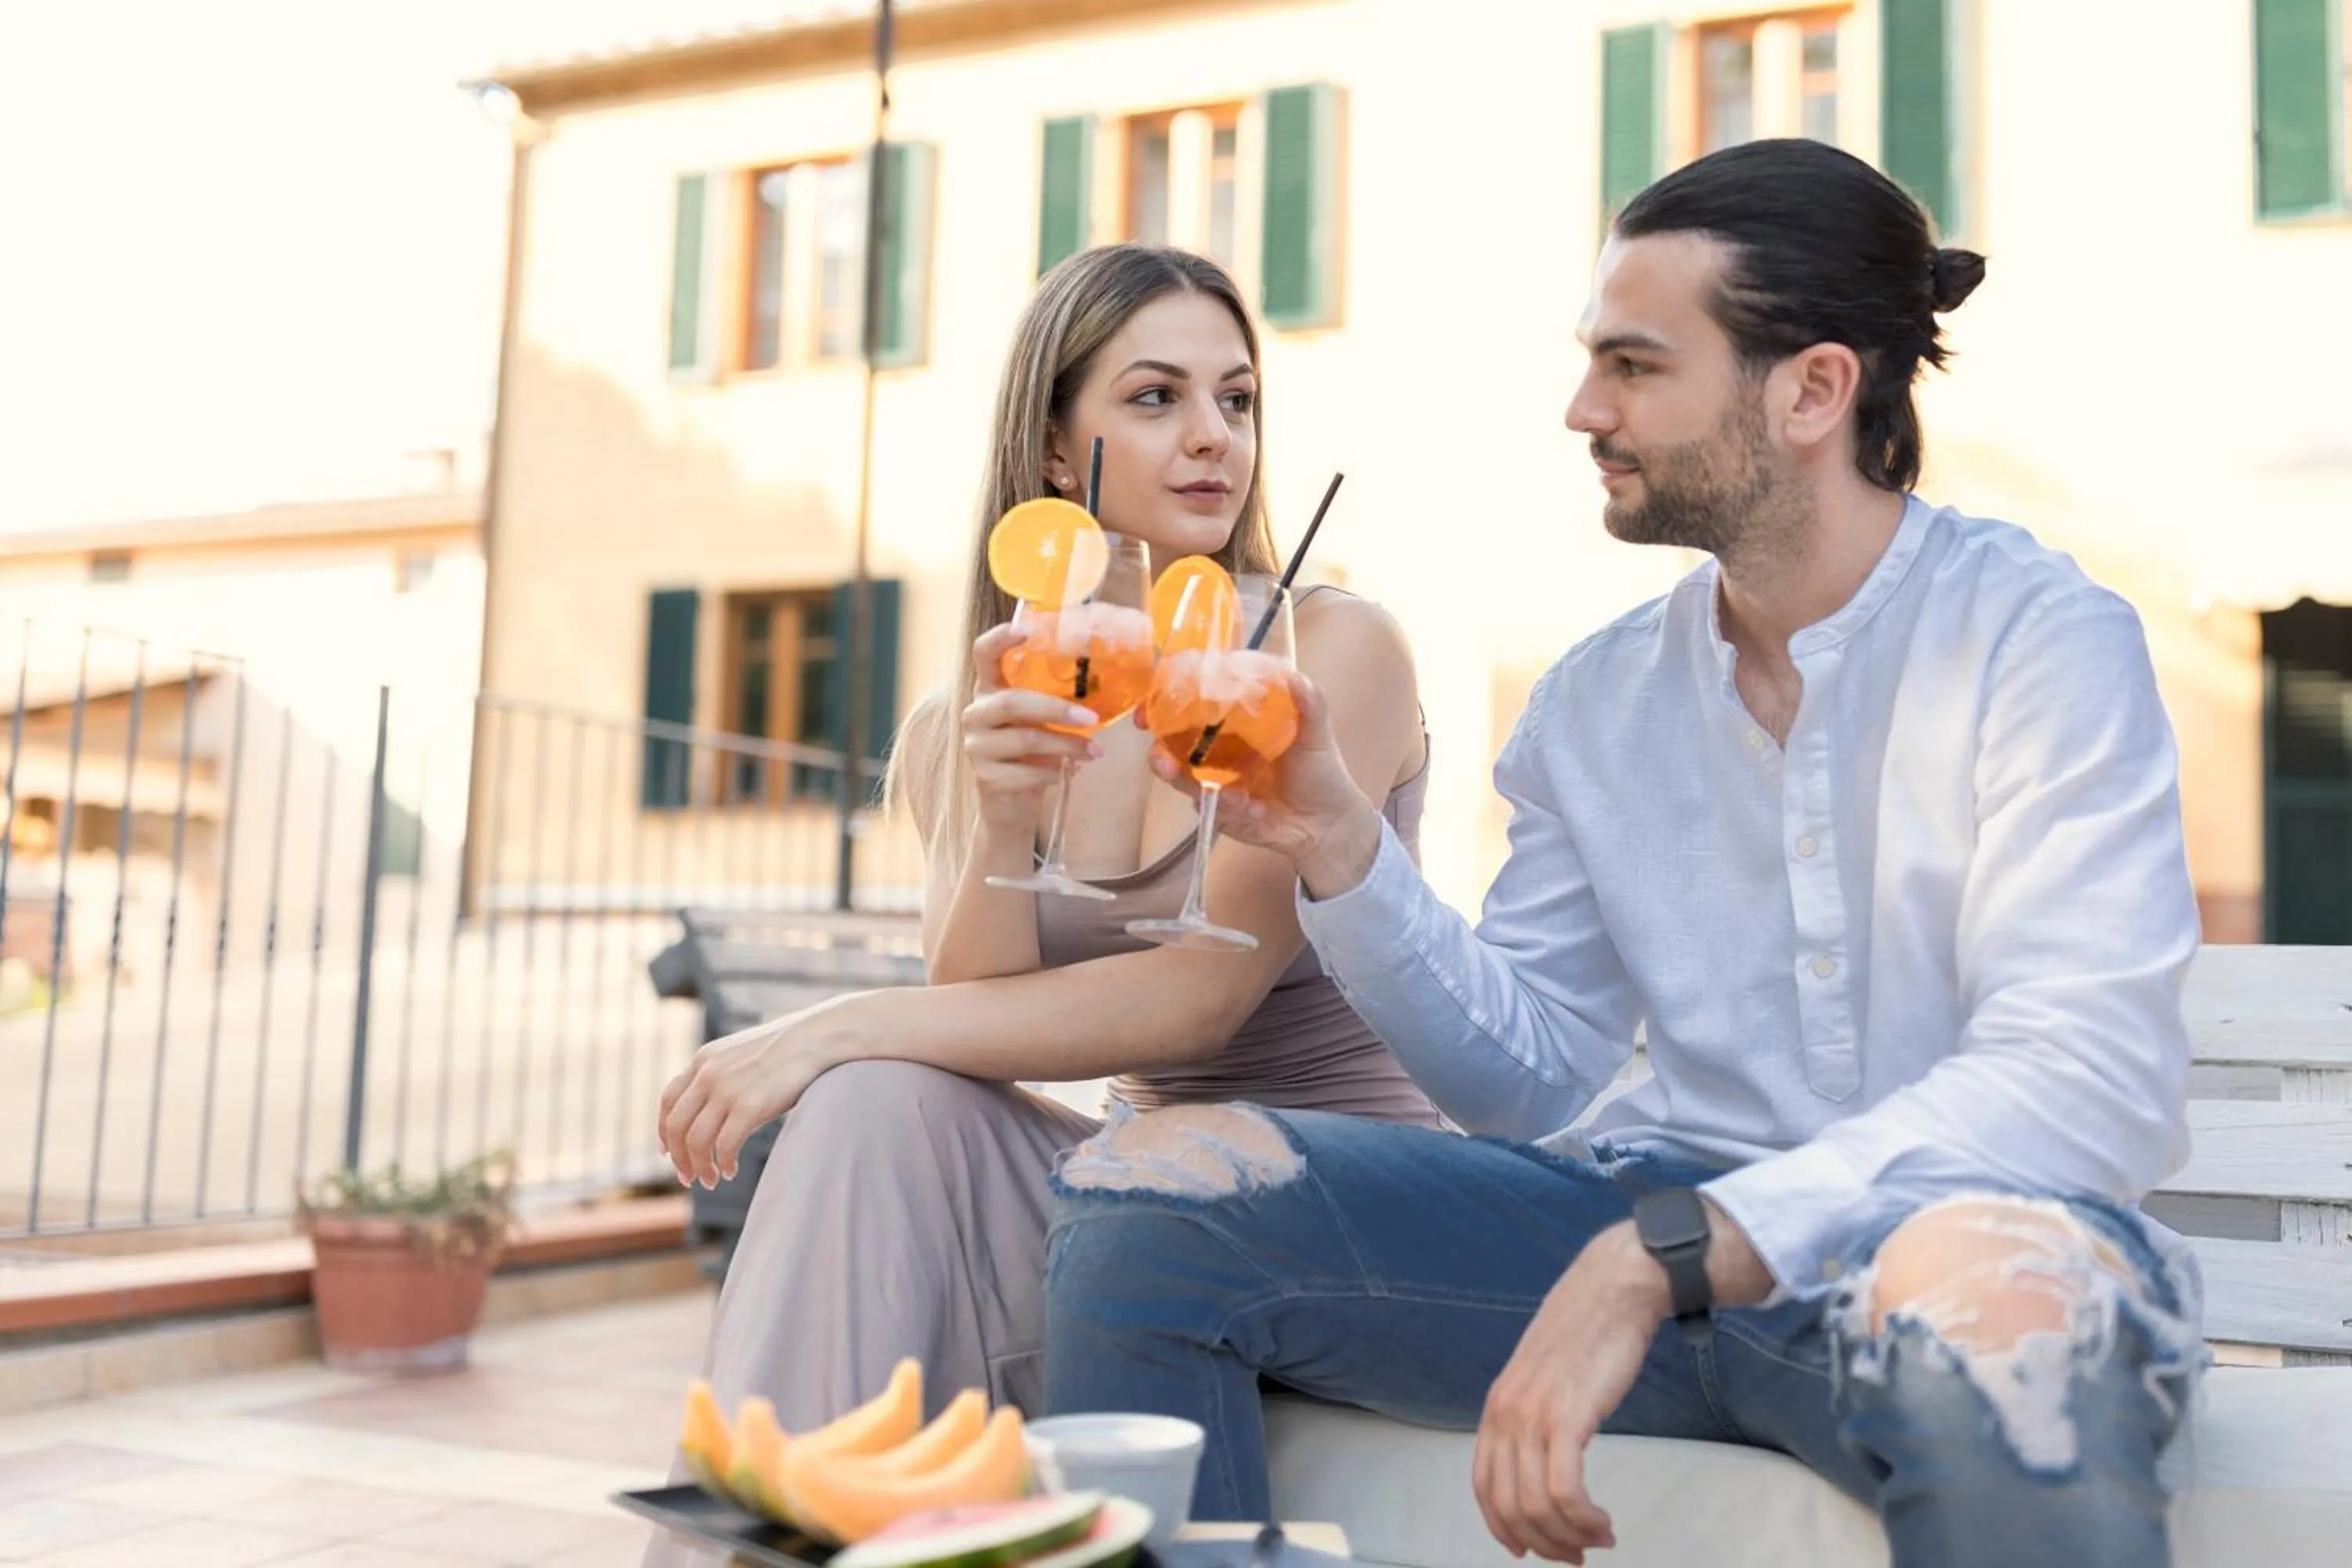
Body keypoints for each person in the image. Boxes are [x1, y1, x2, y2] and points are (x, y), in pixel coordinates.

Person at [1041, 141, 2207, 1568]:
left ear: (1813, 391)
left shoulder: (2039, 640)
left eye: (1637, 367)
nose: (1584, 408)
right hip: (1642, 1253)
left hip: (1956, 1261)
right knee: (1155, 1196)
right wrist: (1336, 833)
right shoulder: (1596, 702)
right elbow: (1525, 1074)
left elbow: (2081, 1077)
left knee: (1991, 1310)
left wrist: (1669, 1253)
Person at [645, 244, 1437, 1564]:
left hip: (1334, 1191)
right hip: (1136, 1196)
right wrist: (1002, 817)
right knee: (877, 1105)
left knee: (861, 1068)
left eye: (1236, 400)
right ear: (1060, 454)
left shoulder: (1330, 650)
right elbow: (968, 1017)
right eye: (1154, 399)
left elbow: (1200, 996)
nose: (1211, 439)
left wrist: (838, 1022)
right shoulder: (977, 705)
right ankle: (765, 1541)